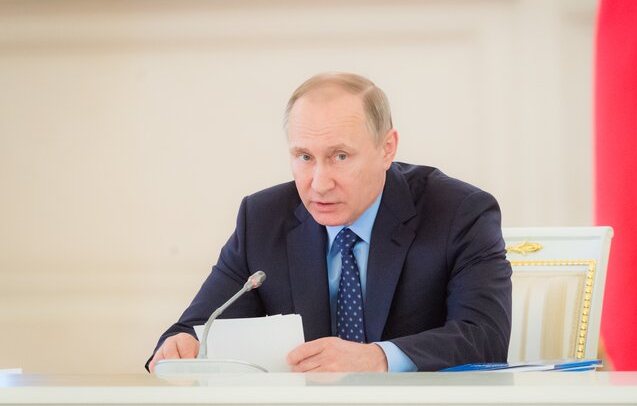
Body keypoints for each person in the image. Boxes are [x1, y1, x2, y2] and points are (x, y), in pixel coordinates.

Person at [146, 72, 512, 373]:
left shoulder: (459, 212)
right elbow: (197, 327)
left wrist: (378, 358)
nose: (319, 184)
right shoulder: (262, 218)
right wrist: (182, 346)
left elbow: (485, 338)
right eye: (305, 157)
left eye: (340, 156)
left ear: (387, 148)